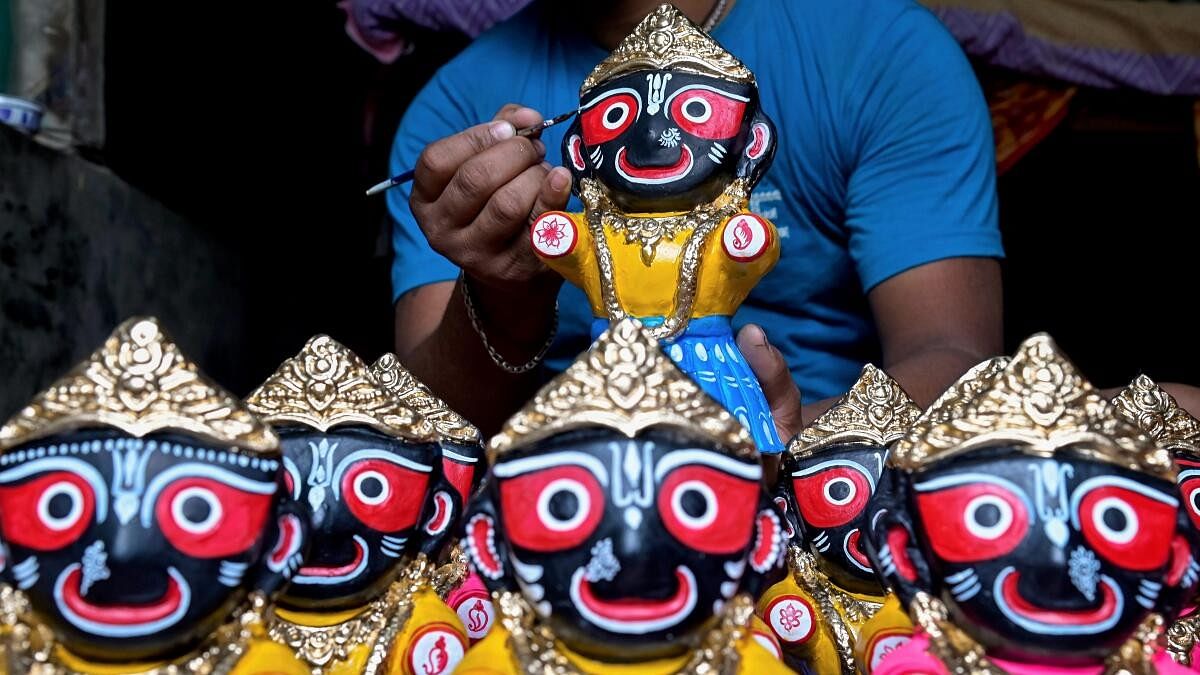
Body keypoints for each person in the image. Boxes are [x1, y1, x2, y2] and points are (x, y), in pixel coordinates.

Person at [387, 0, 1005, 449]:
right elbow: (430, 427)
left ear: (751, 141)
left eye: (693, 113)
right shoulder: (455, 114)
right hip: (570, 457)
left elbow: (956, 357)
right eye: (622, 116)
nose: (654, 135)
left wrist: (775, 447)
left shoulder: (882, 48)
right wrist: (504, 290)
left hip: (814, 455)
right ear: (578, 152)